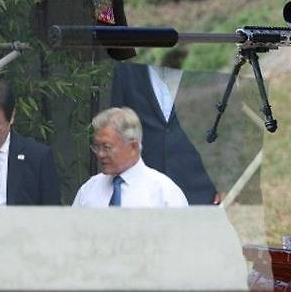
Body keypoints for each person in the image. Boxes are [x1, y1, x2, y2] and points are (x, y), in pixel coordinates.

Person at [111, 62, 220, 205]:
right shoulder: (127, 69)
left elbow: (228, 126)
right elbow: (117, 129)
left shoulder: (207, 66)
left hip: (199, 187)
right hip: (145, 188)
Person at [72, 106, 188, 208]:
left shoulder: (164, 193)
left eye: (106, 147)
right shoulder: (89, 190)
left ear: (133, 147)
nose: (100, 154)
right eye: (97, 147)